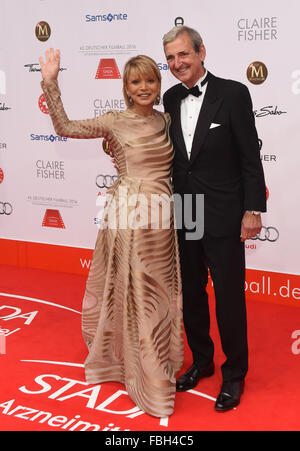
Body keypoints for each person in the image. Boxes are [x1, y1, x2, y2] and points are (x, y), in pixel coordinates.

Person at [39, 48, 183, 418]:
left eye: (150, 80)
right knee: (132, 290)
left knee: (159, 293)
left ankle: (156, 362)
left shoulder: (168, 121)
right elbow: (65, 127)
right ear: (126, 87)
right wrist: (51, 83)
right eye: (136, 81)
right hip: (128, 213)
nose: (144, 87)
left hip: (162, 217)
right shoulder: (114, 121)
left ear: (158, 83)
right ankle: (133, 369)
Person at [162, 26, 266, 412]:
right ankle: (202, 362)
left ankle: (234, 375)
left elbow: (249, 157)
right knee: (191, 294)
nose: (177, 64)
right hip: (184, 210)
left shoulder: (234, 93)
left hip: (224, 212)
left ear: (201, 52)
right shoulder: (170, 98)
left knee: (228, 298)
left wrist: (252, 209)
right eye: (171, 58)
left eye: (183, 55)